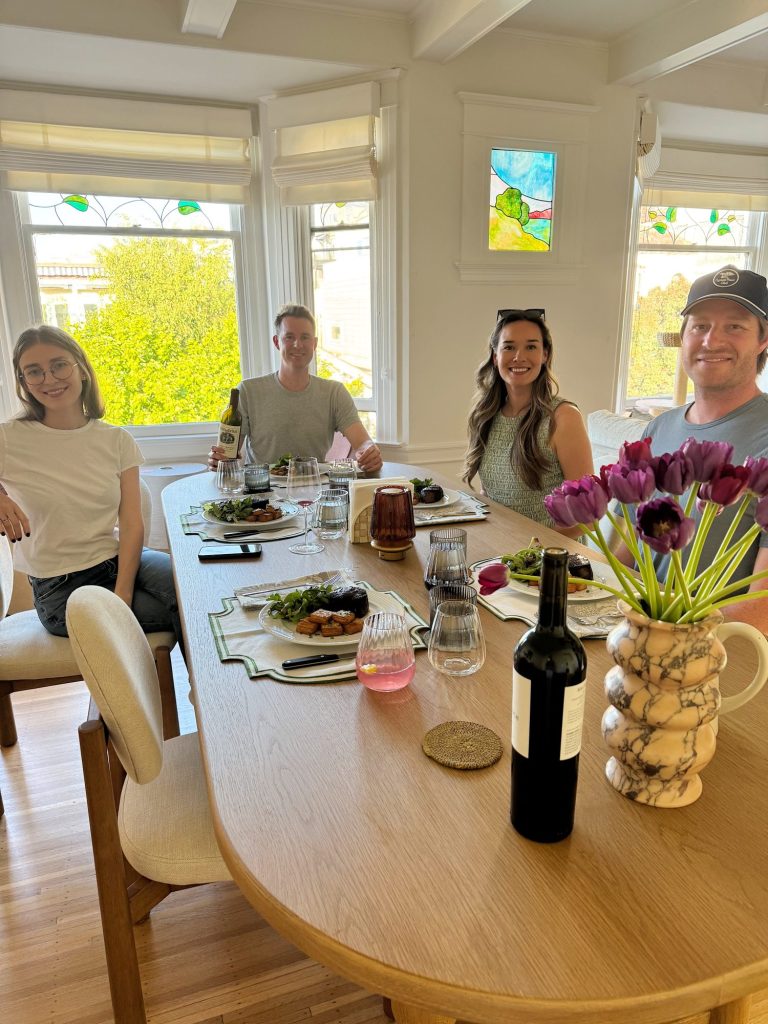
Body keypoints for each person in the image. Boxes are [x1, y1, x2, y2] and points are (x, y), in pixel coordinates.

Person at [0, 325, 182, 643]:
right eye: (34, 372)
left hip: (118, 560)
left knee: (198, 590)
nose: (49, 379)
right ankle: (203, 692)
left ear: (81, 368)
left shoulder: (115, 440)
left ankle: (215, 690)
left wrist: (122, 595)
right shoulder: (9, 437)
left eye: (59, 365)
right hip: (61, 590)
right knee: (186, 610)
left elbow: (130, 523)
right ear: (24, 382)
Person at [616, 264, 768, 631]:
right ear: (683, 337)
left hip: (716, 653)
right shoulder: (656, 430)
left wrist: (672, 640)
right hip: (632, 634)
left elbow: (760, 610)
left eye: (735, 326)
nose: (711, 341)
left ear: (763, 340)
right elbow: (621, 560)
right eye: (699, 325)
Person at [462, 309, 593, 538]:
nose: (518, 357)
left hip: (551, 557)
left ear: (545, 355)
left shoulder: (563, 417)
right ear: (495, 356)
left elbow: (587, 513)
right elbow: (492, 494)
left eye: (531, 346)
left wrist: (528, 550)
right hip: (500, 547)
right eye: (509, 347)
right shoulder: (485, 415)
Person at [207, 304, 382, 473]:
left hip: (314, 492)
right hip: (262, 495)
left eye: (305, 337)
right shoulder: (248, 391)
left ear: (314, 343)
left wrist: (369, 453)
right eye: (289, 337)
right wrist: (218, 460)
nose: (298, 344)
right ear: (277, 342)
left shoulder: (334, 393)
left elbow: (363, 443)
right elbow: (227, 453)